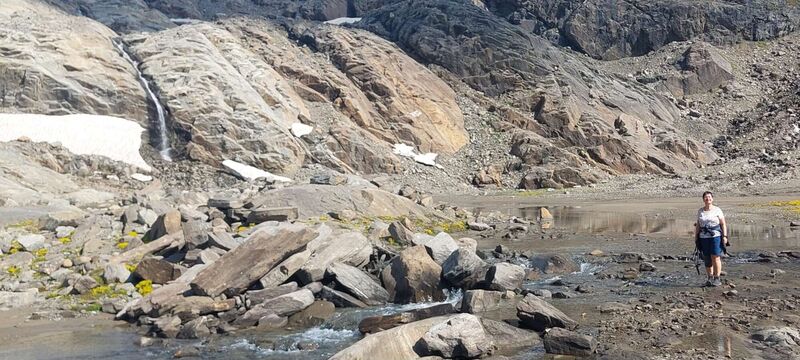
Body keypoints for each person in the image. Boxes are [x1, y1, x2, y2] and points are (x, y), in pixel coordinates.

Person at [695, 191, 729, 287]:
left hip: (715, 236)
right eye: (706, 197)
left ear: (712, 199)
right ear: (703, 199)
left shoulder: (717, 210)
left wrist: (725, 236)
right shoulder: (700, 211)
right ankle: (709, 277)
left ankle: (717, 278)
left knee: (715, 256)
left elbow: (723, 224)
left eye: (709, 197)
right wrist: (696, 237)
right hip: (703, 237)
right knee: (706, 257)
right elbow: (698, 225)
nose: (708, 199)